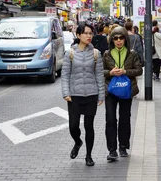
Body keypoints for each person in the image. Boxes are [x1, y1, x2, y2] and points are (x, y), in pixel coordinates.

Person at [61, 22, 105, 167]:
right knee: (73, 126)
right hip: (74, 95)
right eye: (85, 33)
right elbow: (65, 75)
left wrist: (101, 95)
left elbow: (99, 75)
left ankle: (89, 156)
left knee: (89, 126)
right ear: (78, 35)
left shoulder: (96, 53)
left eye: (90, 33)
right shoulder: (70, 53)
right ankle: (78, 142)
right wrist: (66, 93)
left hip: (91, 94)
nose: (88, 36)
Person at [103, 27, 143, 162]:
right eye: (115, 38)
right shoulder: (106, 54)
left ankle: (123, 146)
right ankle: (112, 150)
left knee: (125, 118)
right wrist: (110, 72)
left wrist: (125, 72)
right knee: (110, 119)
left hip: (127, 90)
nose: (118, 41)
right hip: (110, 90)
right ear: (112, 40)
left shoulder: (132, 54)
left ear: (125, 39)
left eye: (121, 38)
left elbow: (139, 70)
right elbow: (100, 71)